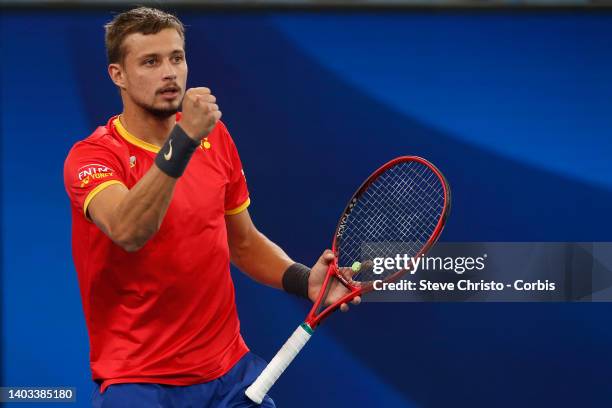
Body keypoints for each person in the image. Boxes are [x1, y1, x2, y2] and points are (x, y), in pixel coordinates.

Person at [63, 7, 359, 407]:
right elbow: (128, 231)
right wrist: (183, 139)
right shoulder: (93, 157)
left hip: (230, 376)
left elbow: (244, 243)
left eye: (176, 58)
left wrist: (304, 280)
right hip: (140, 383)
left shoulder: (214, 137)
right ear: (118, 74)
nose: (169, 73)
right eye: (150, 61)